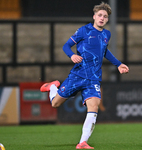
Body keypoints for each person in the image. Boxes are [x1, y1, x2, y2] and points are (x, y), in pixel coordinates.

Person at [40, 2, 129, 149]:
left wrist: (118, 64)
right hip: (78, 75)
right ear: (94, 16)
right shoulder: (84, 30)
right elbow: (66, 46)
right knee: (55, 104)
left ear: (107, 20)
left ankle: (82, 142)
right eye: (99, 15)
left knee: (94, 106)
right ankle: (53, 87)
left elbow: (104, 51)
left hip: (93, 78)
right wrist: (72, 56)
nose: (102, 18)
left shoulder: (107, 34)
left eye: (105, 16)